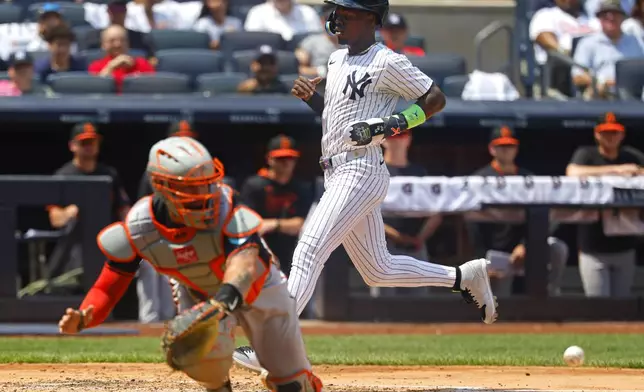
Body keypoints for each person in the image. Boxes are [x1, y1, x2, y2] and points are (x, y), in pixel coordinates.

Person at [233, 0, 498, 373]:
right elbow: (343, 120)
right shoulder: (336, 60)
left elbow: (434, 99)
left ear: (369, 18)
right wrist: (314, 101)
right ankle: (462, 276)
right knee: (378, 269)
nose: (336, 17)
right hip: (337, 169)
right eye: (336, 11)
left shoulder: (387, 60)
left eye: (345, 11)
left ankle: (273, 346)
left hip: (361, 169)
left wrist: (388, 126)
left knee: (308, 247)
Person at [57, 137, 324, 392]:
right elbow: (110, 284)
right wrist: (85, 316)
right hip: (197, 290)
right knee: (206, 365)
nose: (203, 193)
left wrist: (222, 302)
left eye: (205, 183)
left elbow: (244, 264)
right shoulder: (140, 225)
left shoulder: (226, 205)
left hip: (259, 288)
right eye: (190, 186)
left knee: (290, 383)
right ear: (160, 186)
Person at [468, 126, 568, 297]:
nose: (506, 151)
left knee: (557, 247)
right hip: (495, 254)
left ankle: (551, 294)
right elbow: (472, 225)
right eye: (501, 146)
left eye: (510, 146)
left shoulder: (528, 178)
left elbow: (547, 217)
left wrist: (526, 244)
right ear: (492, 149)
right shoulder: (480, 179)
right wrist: (481, 261)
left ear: (516, 148)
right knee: (497, 308)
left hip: (525, 251)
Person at [566, 112, 644, 297]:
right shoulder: (587, 154)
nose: (611, 137)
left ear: (622, 134)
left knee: (621, 307)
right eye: (606, 132)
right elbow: (572, 172)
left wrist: (637, 172)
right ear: (597, 134)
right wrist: (616, 170)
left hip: (625, 245)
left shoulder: (631, 155)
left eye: (615, 133)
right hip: (593, 246)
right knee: (598, 307)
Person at [47, 123, 131, 291]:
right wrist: (69, 212)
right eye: (84, 143)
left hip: (105, 241)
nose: (89, 147)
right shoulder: (63, 176)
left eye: (92, 142)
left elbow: (124, 210)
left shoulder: (108, 174)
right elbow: (55, 219)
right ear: (73, 146)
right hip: (75, 245)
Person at [378, 129, 443, 297]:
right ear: (383, 140)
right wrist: (396, 236)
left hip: (416, 245)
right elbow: (365, 213)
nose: (398, 141)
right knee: (382, 307)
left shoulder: (420, 173)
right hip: (384, 245)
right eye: (393, 137)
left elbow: (436, 211)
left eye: (402, 136)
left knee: (419, 302)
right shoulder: (375, 171)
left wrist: (420, 238)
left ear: (409, 140)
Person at [240, 135, 311, 278]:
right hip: (259, 252)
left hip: (292, 254)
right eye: (280, 159)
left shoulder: (302, 188)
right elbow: (248, 225)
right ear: (269, 159)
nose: (285, 163)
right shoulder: (254, 185)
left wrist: (274, 224)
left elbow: (301, 224)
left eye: (290, 159)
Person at [572, 0, 644, 99]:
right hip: (601, 94)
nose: (610, 17)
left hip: (633, 94)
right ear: (599, 19)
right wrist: (603, 81)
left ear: (622, 17)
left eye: (615, 13)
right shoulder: (588, 43)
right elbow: (577, 77)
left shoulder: (635, 41)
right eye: (605, 14)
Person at [88, 25, 155, 93]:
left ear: (128, 43)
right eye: (112, 41)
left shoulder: (142, 63)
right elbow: (96, 90)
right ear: (103, 44)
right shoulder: (95, 66)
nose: (118, 44)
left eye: (122, 40)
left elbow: (153, 87)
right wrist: (111, 67)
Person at [296, 4, 342, 79]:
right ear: (322, 21)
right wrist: (319, 71)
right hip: (319, 85)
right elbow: (298, 68)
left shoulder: (349, 43)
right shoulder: (311, 41)